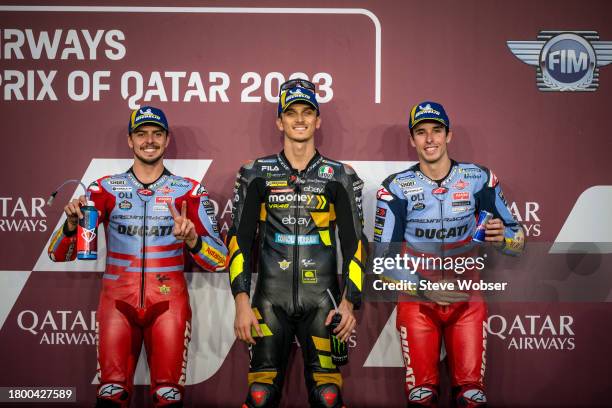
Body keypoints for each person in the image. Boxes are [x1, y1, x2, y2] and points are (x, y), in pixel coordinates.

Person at [47, 106, 228, 407]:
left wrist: (194, 240)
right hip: (116, 304)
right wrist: (69, 225)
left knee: (167, 396)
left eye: (157, 134)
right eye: (141, 134)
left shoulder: (189, 191)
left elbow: (220, 259)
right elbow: (57, 254)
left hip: (168, 303)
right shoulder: (102, 189)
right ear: (130, 141)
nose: (149, 141)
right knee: (111, 394)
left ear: (167, 140)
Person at [228, 79, 367, 408]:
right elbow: (240, 242)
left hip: (323, 303)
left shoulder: (340, 175)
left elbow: (355, 245)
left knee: (328, 396)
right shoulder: (255, 173)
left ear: (318, 120)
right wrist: (241, 303)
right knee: (260, 396)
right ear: (280, 121)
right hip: (268, 304)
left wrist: (349, 304)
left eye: (307, 112)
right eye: (291, 113)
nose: (300, 119)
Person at [374, 102, 524, 407]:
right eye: (421, 132)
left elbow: (518, 240)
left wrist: (503, 238)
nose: (430, 139)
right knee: (421, 397)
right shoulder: (396, 189)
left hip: (467, 300)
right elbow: (382, 263)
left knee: (472, 396)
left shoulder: (479, 178)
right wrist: (427, 288)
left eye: (437, 131)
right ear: (412, 140)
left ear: (449, 135)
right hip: (418, 303)